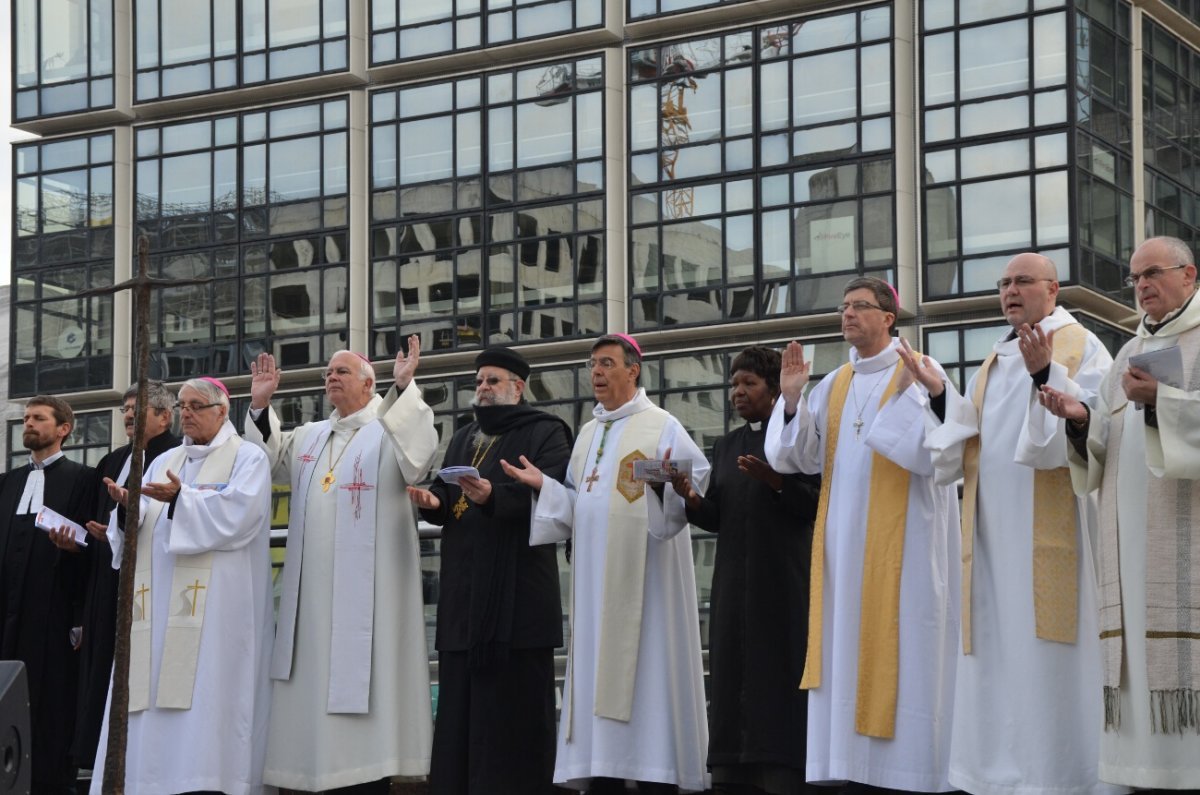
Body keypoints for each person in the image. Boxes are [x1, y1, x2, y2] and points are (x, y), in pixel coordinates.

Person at [924, 253, 1121, 795]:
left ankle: (1064, 773)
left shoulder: (1082, 346)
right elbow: (968, 438)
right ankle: (999, 772)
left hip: (1050, 533)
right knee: (998, 648)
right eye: (1004, 283)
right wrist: (941, 394)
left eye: (1023, 282)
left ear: (1052, 289)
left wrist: (1044, 374)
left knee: (1050, 653)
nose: (1010, 291)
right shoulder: (995, 356)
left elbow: (1092, 428)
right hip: (990, 533)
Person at [763, 277, 961, 793]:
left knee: (904, 642)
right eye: (844, 307)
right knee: (844, 646)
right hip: (841, 550)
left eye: (859, 307)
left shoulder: (919, 371)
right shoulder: (835, 383)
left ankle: (910, 771)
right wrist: (790, 400)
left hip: (907, 549)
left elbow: (944, 451)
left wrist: (929, 395)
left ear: (888, 318)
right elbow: (794, 458)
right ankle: (848, 766)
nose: (847, 315)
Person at [504, 332, 712, 794]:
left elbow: (694, 483)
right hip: (595, 587)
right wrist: (545, 487)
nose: (595, 372)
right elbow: (580, 504)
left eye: (606, 363)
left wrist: (665, 484)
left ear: (632, 370)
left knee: (648, 672)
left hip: (647, 584)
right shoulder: (588, 433)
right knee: (600, 671)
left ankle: (656, 769)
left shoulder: (662, 425)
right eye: (592, 364)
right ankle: (606, 767)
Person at [1039, 235, 1200, 790]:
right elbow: (1104, 442)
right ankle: (1141, 772)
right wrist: (1079, 419)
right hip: (1129, 539)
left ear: (1189, 274)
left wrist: (1167, 403)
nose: (1142, 285)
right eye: (1134, 278)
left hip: (1188, 535)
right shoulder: (1129, 352)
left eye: (1153, 273)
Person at [247, 337, 439, 793]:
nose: (330, 378)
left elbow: (419, 459)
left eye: (341, 372)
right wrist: (260, 406)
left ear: (369, 383)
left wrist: (406, 388)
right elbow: (266, 461)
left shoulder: (388, 428)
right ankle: (315, 770)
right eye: (327, 373)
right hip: (311, 594)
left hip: (373, 592)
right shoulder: (312, 434)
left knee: (369, 678)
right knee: (313, 682)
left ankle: (368, 771)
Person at [89, 376, 275, 795]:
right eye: (183, 406)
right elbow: (139, 529)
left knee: (209, 692)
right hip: (154, 609)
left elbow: (240, 516)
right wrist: (126, 510)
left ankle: (209, 779)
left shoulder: (248, 458)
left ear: (222, 411)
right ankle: (146, 781)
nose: (185, 413)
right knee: (147, 691)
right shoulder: (161, 460)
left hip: (218, 612)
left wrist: (180, 499)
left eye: (195, 405)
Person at [408, 346, 572, 795]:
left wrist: (493, 497)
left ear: (517, 387)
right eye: (479, 380)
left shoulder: (546, 432)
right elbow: (448, 493)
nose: (482, 387)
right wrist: (433, 503)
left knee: (513, 721)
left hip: (517, 605)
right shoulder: (464, 436)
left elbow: (555, 495)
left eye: (492, 380)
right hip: (465, 598)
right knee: (462, 716)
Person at [671, 346, 821, 795]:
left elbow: (813, 505)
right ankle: (733, 769)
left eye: (748, 383)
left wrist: (776, 481)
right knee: (733, 670)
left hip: (783, 582)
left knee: (777, 674)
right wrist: (689, 498)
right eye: (734, 384)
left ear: (775, 388)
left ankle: (780, 773)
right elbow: (718, 516)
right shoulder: (728, 445)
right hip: (733, 584)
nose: (738, 392)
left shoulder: (799, 437)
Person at [70, 381, 181, 773]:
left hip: (150, 581)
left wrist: (122, 526)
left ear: (166, 416)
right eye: (125, 409)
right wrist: (105, 532)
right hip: (107, 580)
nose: (129, 415)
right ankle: (95, 757)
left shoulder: (177, 456)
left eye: (139, 408)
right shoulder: (114, 458)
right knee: (102, 667)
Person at [0, 396, 95, 794]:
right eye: (26, 419)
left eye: (39, 418)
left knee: (51, 699)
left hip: (54, 611)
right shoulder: (8, 482)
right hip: (7, 610)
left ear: (63, 429)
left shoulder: (84, 480)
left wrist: (74, 547)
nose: (29, 424)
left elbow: (97, 546)